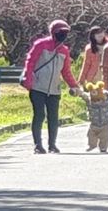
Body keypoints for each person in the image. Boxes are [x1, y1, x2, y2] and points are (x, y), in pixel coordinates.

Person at [20, 19, 80, 154]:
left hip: (54, 89)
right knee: (39, 115)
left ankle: (52, 144)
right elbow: (30, 63)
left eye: (65, 32)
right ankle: (37, 144)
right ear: (53, 32)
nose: (63, 35)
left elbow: (66, 71)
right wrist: (28, 81)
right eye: (60, 32)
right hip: (37, 87)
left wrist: (74, 86)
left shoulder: (64, 50)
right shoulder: (41, 45)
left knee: (53, 117)